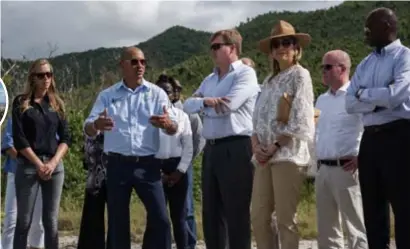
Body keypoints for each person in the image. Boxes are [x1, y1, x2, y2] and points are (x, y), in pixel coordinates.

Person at [83, 46, 178, 249]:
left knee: (161, 218)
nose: (140, 66)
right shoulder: (108, 95)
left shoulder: (157, 94)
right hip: (118, 165)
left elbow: (174, 127)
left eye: (143, 62)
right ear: (122, 65)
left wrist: (167, 124)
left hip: (148, 165)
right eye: (134, 61)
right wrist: (97, 125)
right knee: (118, 223)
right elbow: (88, 128)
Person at [183, 28, 259, 249]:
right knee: (211, 211)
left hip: (236, 146)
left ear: (232, 48)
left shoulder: (245, 73)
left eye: (217, 46)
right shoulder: (210, 78)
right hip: (212, 148)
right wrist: (207, 102)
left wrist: (204, 103)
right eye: (211, 47)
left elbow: (229, 106)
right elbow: (189, 105)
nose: (212, 51)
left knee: (236, 212)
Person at [345, 7, 410, 249]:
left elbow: (396, 95)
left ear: (386, 26)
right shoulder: (365, 63)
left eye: (368, 28)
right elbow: (349, 102)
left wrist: (365, 95)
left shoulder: (404, 57)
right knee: (373, 210)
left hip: (399, 136)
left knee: (404, 208)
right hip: (370, 140)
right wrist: (376, 103)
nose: (365, 33)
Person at [251, 20, 315, 249]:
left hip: (287, 154)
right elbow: (256, 119)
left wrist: (275, 146)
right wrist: (256, 145)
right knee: (259, 217)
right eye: (276, 43)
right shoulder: (268, 81)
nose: (281, 47)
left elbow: (301, 119)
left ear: (297, 48)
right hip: (263, 155)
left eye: (287, 42)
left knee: (286, 219)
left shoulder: (300, 76)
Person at [12, 58, 71, 249]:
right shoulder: (21, 102)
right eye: (41, 75)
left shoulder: (57, 103)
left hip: (54, 165)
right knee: (24, 221)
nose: (46, 78)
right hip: (29, 165)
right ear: (33, 78)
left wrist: (53, 163)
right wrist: (39, 164)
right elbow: (19, 140)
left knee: (51, 221)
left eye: (49, 74)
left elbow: (66, 138)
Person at [315, 50, 367, 249]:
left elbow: (369, 128)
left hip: (346, 168)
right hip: (323, 169)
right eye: (323, 67)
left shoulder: (356, 96)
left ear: (343, 69)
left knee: (354, 226)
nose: (324, 71)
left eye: (328, 67)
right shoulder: (322, 100)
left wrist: (361, 157)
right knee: (327, 229)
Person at [164, 75, 205, 249]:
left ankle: (189, 244)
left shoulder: (189, 114)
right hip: (161, 167)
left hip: (183, 165)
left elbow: (198, 140)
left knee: (185, 210)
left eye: (169, 91)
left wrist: (185, 163)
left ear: (175, 93)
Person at [155, 75, 193, 249]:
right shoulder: (149, 118)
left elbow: (188, 147)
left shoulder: (182, 116)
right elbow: (145, 146)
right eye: (160, 90)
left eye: (167, 91)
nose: (164, 93)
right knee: (159, 218)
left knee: (180, 217)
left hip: (179, 168)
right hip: (157, 169)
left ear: (172, 95)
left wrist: (180, 171)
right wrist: (158, 172)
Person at [1, 117, 44, 249]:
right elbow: (8, 144)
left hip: (39, 174)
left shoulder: (47, 115)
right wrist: (29, 162)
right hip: (16, 171)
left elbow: (56, 141)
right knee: (11, 220)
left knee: (38, 222)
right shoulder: (15, 117)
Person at [76, 131, 110, 249]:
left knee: (117, 220)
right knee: (92, 219)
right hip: (95, 172)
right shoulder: (94, 117)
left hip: (116, 174)